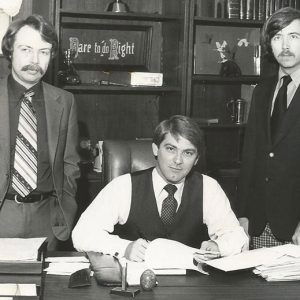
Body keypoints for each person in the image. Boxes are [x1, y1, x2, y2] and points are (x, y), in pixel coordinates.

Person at [72, 115, 247, 262]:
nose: (178, 160)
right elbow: (82, 234)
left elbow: (237, 236)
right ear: (156, 149)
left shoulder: (208, 187)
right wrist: (124, 248)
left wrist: (219, 246)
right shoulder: (124, 186)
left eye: (188, 153)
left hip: (192, 285)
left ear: (197, 159)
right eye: (171, 149)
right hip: (137, 284)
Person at [0, 14, 80, 250]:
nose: (35, 60)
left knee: (42, 288)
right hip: (3, 213)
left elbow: (71, 164)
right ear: (10, 50)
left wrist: (64, 212)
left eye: (43, 52)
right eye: (26, 49)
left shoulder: (65, 101)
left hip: (47, 221)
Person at [237, 7, 300, 249]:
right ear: (269, 45)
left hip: (295, 227)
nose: (285, 45)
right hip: (258, 223)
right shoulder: (262, 91)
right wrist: (242, 213)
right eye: (277, 37)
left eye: (294, 37)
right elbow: (250, 154)